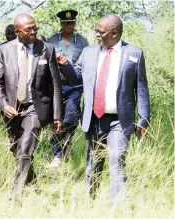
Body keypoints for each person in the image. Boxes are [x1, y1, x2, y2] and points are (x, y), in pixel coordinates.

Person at [59, 14, 150, 206]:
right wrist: (65, 65)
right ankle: (91, 204)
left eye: (100, 32)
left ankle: (117, 209)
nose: (97, 35)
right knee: (94, 164)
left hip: (120, 120)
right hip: (94, 119)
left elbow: (141, 88)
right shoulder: (89, 52)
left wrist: (144, 119)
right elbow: (76, 79)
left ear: (114, 33)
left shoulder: (134, 54)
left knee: (117, 160)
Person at [0, 13, 62, 200]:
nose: (33, 32)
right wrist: (4, 105)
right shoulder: (4, 50)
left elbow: (55, 84)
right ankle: (34, 186)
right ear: (17, 32)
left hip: (36, 107)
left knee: (26, 148)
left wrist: (57, 115)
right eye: (28, 29)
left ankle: (15, 194)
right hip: (12, 110)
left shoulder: (47, 49)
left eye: (35, 28)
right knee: (17, 150)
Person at [47, 10, 88, 168]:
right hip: (56, 85)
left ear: (75, 23)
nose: (68, 25)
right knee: (56, 118)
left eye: (71, 23)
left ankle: (67, 145)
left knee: (70, 119)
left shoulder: (82, 42)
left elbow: (85, 65)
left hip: (75, 86)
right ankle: (57, 154)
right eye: (65, 23)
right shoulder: (51, 41)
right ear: (61, 24)